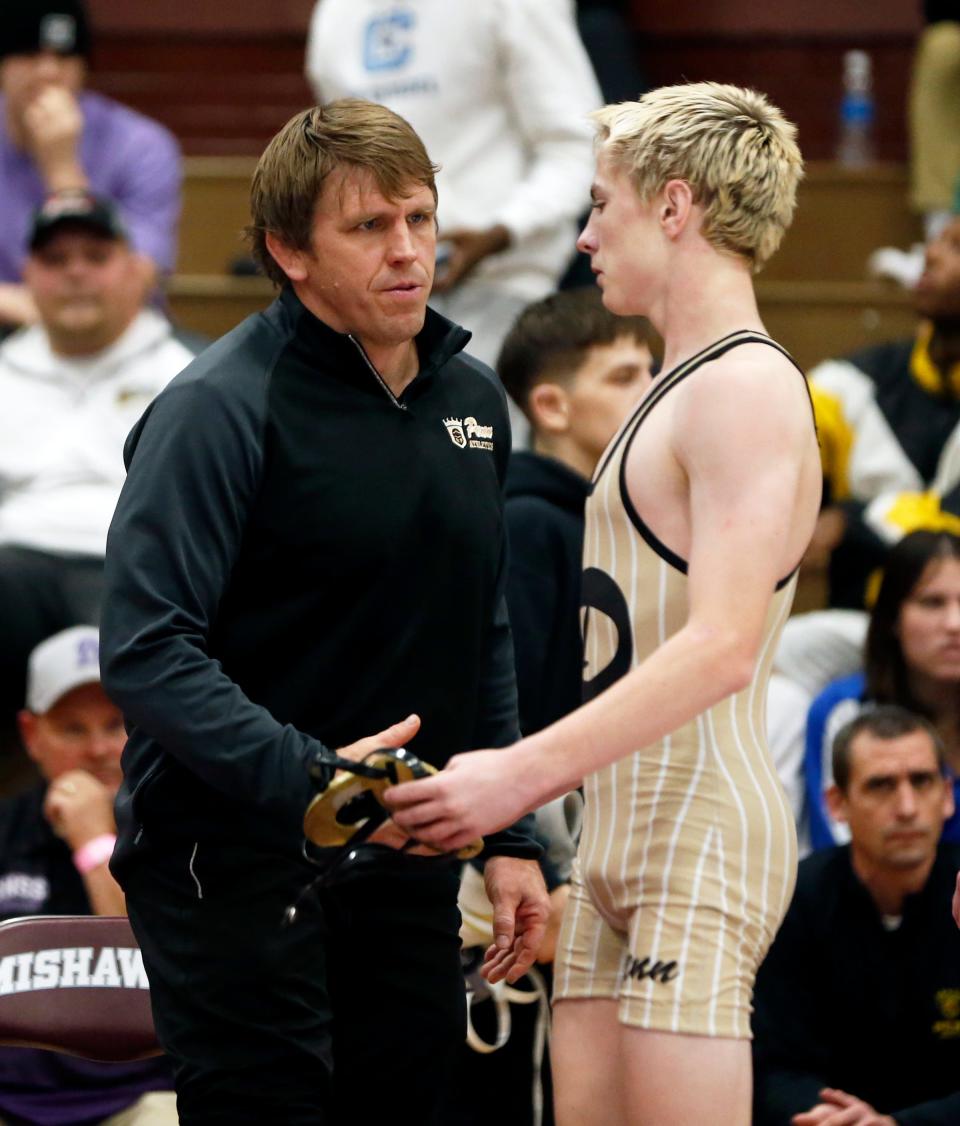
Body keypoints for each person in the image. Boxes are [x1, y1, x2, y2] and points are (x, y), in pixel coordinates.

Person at [99, 98, 548, 1125]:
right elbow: (146, 651)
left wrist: (513, 831)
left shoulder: (474, 402)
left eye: (421, 220)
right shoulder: (217, 408)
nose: (409, 251)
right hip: (233, 862)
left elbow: (479, 628)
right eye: (370, 227)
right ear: (287, 251)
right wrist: (321, 781)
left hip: (404, 859)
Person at [387, 82, 821, 1125]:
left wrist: (520, 773)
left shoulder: (747, 387)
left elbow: (723, 645)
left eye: (601, 206)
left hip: (700, 825)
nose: (584, 237)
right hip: (611, 835)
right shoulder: (675, 385)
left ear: (675, 208)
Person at [444, 287, 658, 1126]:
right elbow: (519, 720)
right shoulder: (533, 525)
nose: (652, 388)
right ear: (551, 404)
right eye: (625, 374)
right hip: (543, 874)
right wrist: (550, 869)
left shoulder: (598, 524)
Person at [305, 0, 602, 441]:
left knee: (483, 474)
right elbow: (334, 157)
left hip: (503, 289)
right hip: (371, 299)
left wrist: (501, 232)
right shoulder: (337, 12)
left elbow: (578, 146)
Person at [0, 189, 198, 760]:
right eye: (56, 261)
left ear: (136, 270)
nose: (76, 274)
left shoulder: (189, 372)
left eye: (94, 256)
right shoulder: (7, 366)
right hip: (14, 562)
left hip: (129, 563)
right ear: (27, 276)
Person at [0, 626, 177, 1126]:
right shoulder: (5, 832)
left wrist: (96, 843)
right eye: (74, 729)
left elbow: (153, 986)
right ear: (32, 735)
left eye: (116, 723)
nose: (99, 749)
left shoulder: (179, 834)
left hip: (141, 1094)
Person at [752, 706, 960, 1126]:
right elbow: (770, 1065)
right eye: (881, 786)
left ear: (948, 795)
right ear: (837, 803)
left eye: (921, 782)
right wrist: (836, 1119)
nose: (906, 807)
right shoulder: (793, 899)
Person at [805, 214, 960, 608]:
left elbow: (947, 526)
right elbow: (775, 439)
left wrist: (849, 521)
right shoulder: (853, 382)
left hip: (951, 628)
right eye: (936, 242)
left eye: (955, 247)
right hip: (863, 624)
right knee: (776, 662)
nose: (931, 255)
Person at [0, 0, 182, 327]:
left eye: (64, 57)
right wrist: (33, 311)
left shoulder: (142, 146)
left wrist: (62, 169)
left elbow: (131, 285)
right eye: (29, 55)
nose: (48, 72)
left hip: (114, 335)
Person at [798, 530, 960, 852]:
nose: (954, 623)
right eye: (932, 603)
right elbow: (841, 852)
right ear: (892, 619)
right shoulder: (844, 710)